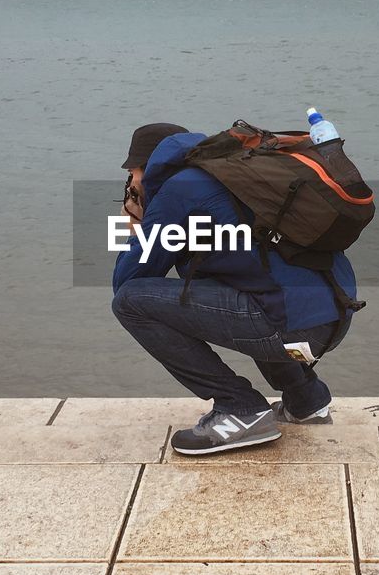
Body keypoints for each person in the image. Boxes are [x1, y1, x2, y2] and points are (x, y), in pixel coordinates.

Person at [112, 122, 357, 455]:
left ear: (142, 169)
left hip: (290, 327)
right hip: (335, 314)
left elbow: (127, 282)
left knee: (130, 303)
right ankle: (306, 401)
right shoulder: (229, 175)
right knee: (235, 282)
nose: (129, 181)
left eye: (131, 173)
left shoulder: (177, 191)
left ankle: (240, 408)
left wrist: (137, 224)